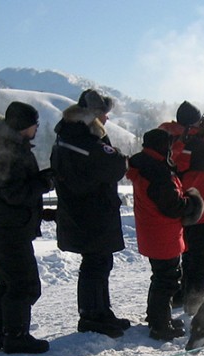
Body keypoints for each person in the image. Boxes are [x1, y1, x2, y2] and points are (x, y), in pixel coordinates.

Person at [51, 89, 130, 338]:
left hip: (86, 211)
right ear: (92, 115)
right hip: (89, 213)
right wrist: (116, 154)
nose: (106, 119)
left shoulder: (71, 136)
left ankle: (101, 310)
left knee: (100, 263)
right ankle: (91, 315)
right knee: (95, 264)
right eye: (103, 115)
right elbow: (114, 165)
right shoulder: (82, 140)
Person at [0, 101, 54, 354]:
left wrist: (38, 210)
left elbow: (11, 192)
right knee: (24, 284)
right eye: (34, 124)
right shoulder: (8, 150)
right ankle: (16, 336)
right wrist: (45, 182)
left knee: (8, 282)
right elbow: (14, 193)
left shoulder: (5, 146)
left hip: (5, 226)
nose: (36, 129)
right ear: (25, 126)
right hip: (10, 229)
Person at [126, 128, 204, 341]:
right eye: (169, 145)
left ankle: (158, 318)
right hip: (163, 232)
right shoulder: (157, 172)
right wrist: (193, 201)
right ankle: (160, 325)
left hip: (153, 230)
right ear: (163, 147)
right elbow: (172, 205)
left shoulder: (146, 165)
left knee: (161, 276)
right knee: (167, 279)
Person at [159, 101, 204, 311]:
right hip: (201, 208)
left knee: (189, 255)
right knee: (201, 258)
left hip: (190, 205)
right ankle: (195, 302)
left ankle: (184, 294)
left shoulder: (176, 139)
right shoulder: (191, 144)